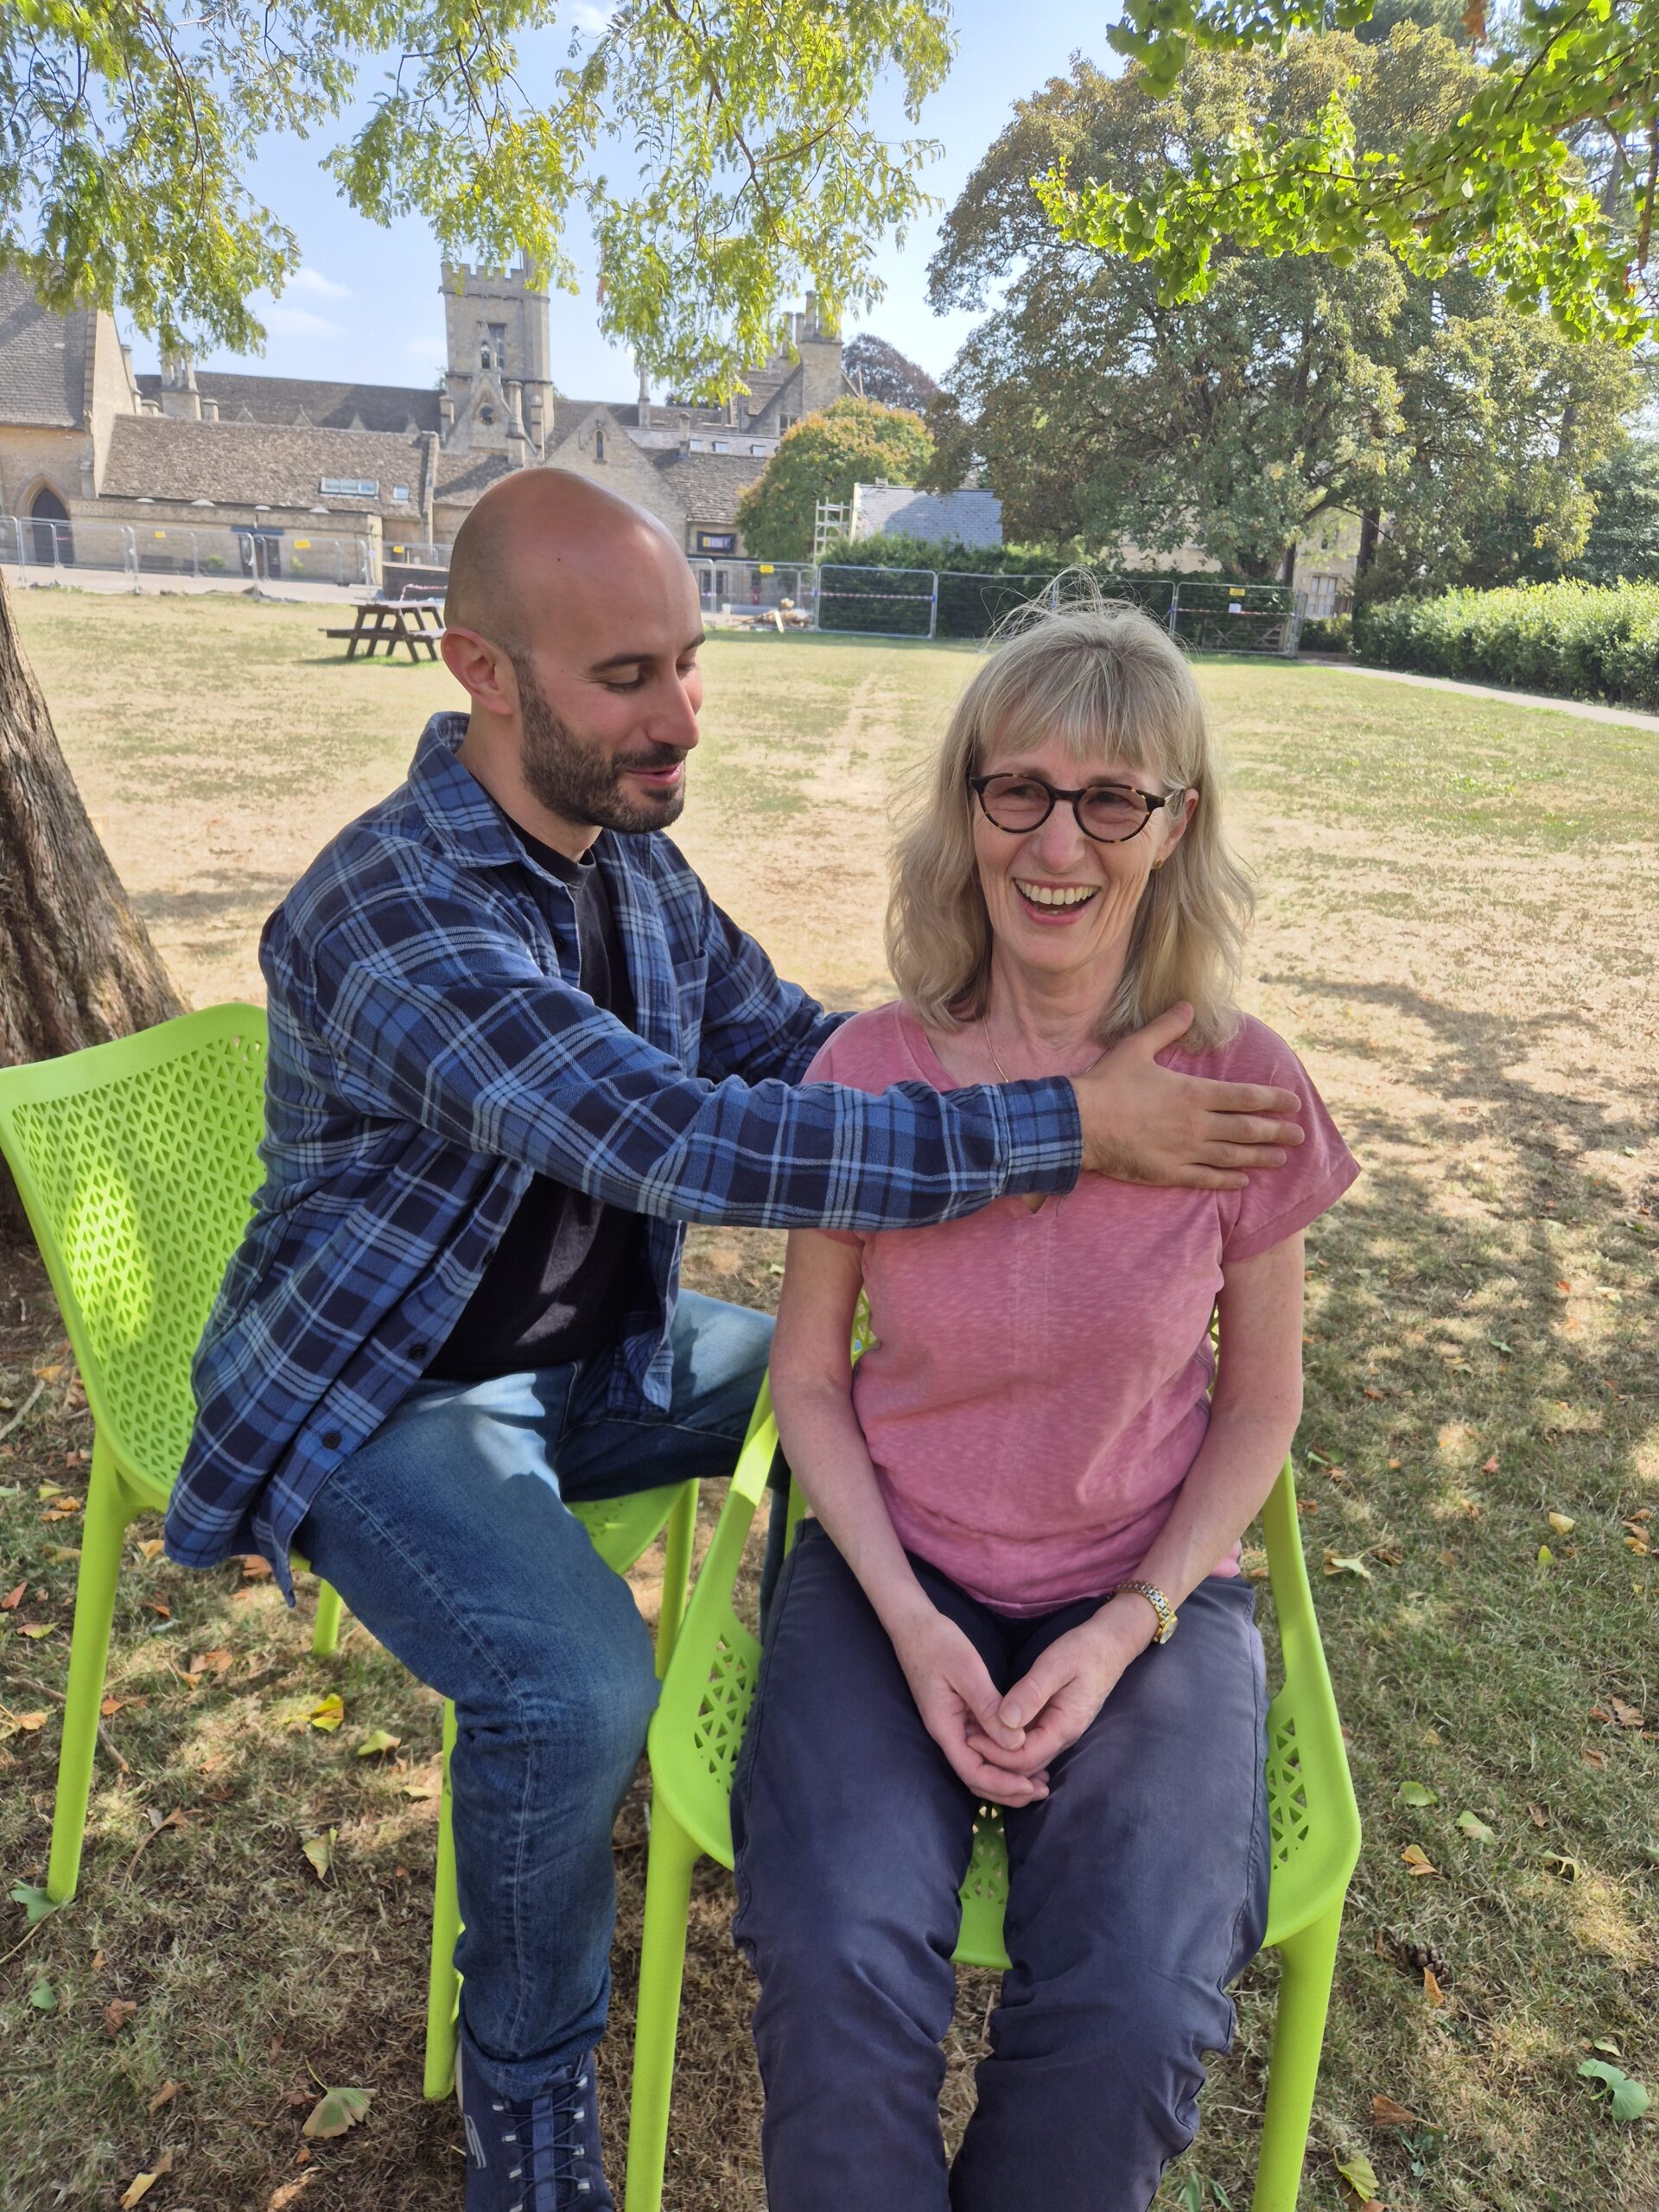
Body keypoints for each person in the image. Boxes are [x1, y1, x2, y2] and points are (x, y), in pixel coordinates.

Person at [162, 477, 1307, 2212]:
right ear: (483, 670)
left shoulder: (628, 858)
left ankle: (862, 1743)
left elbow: (788, 1048)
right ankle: (530, 2099)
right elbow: (682, 1138)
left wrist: (978, 1042)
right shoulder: (394, 911)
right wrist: (1071, 1125)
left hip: (605, 1358)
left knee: (865, 1404)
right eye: (629, 676)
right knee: (575, 1687)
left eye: (688, 660)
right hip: (390, 1394)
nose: (683, 715)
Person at [733, 595, 1359, 2212]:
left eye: (1112, 799)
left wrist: (1131, 1623)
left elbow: (1260, 1407)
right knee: (838, 1956)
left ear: (1176, 824)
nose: (1058, 842)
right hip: (895, 1570)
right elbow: (806, 1377)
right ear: (968, 806)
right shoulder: (870, 1073)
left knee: (1138, 2004)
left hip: (1145, 1589)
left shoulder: (1247, 1087)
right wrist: (908, 1620)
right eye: (1019, 788)